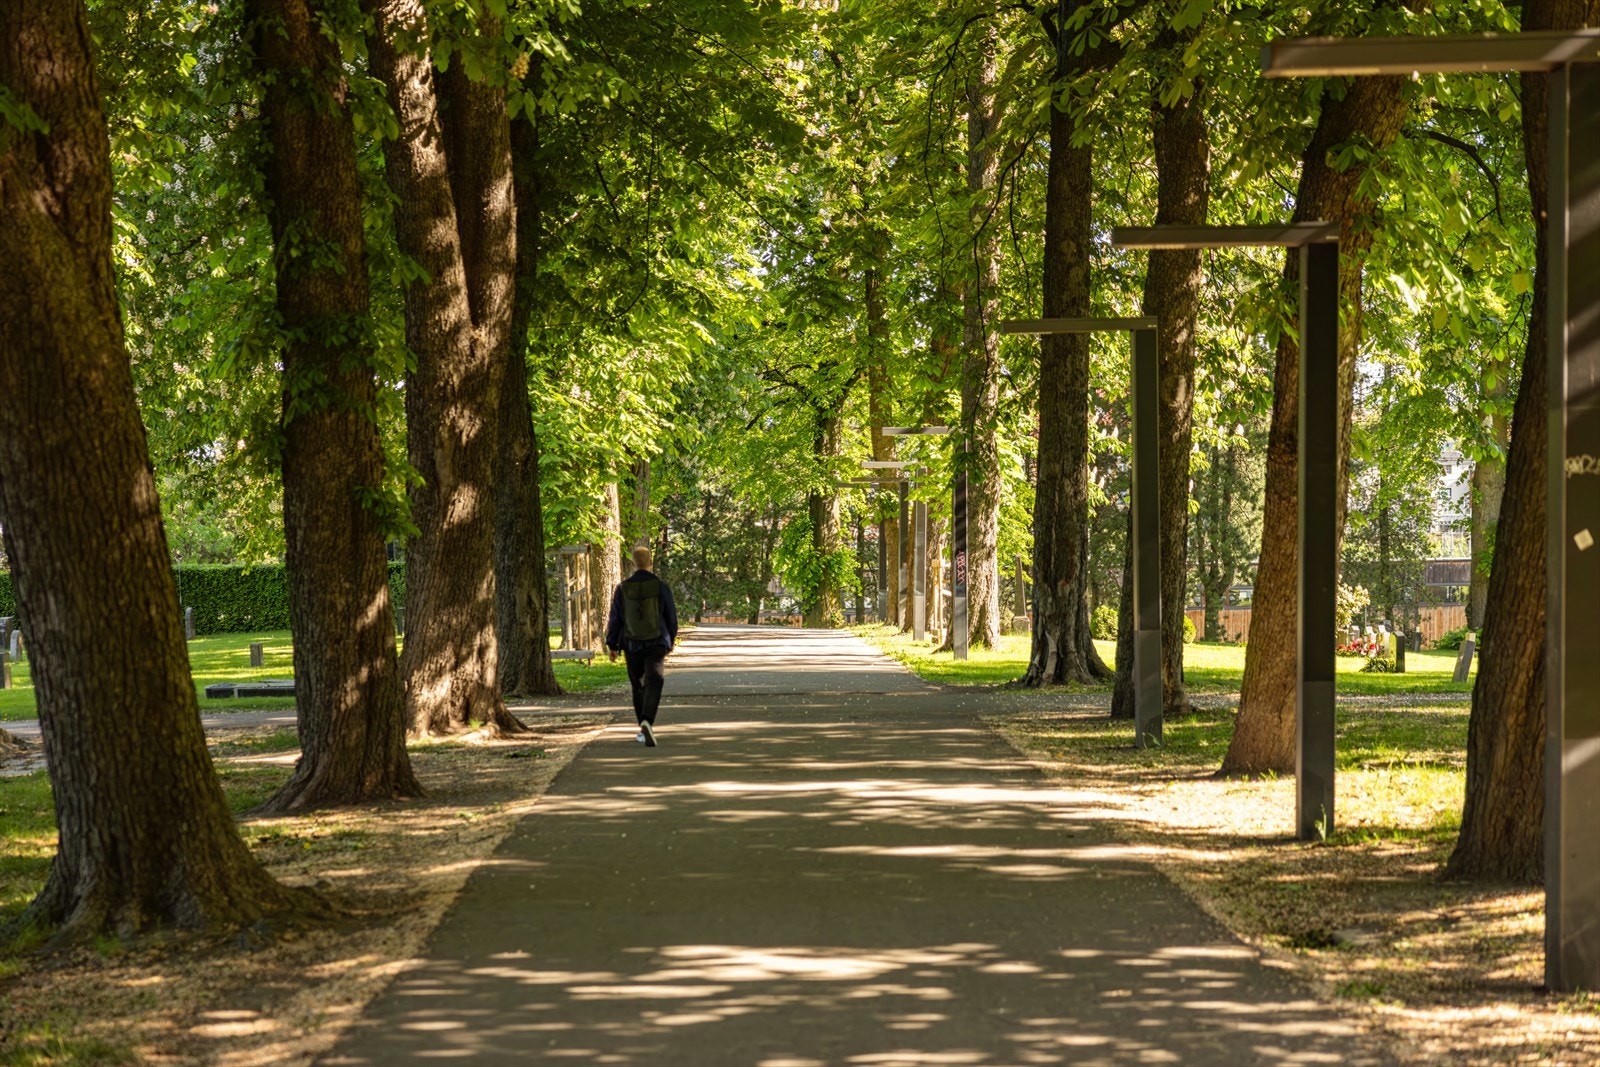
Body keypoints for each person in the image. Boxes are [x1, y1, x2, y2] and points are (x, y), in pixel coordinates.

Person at [605, 544, 678, 747]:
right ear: (650, 562)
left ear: (633, 563)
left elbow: (615, 618)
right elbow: (671, 617)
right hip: (656, 642)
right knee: (655, 680)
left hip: (631, 642)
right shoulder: (661, 586)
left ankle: (642, 726)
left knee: (638, 684)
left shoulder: (623, 588)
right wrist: (670, 640)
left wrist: (612, 644)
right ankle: (648, 720)